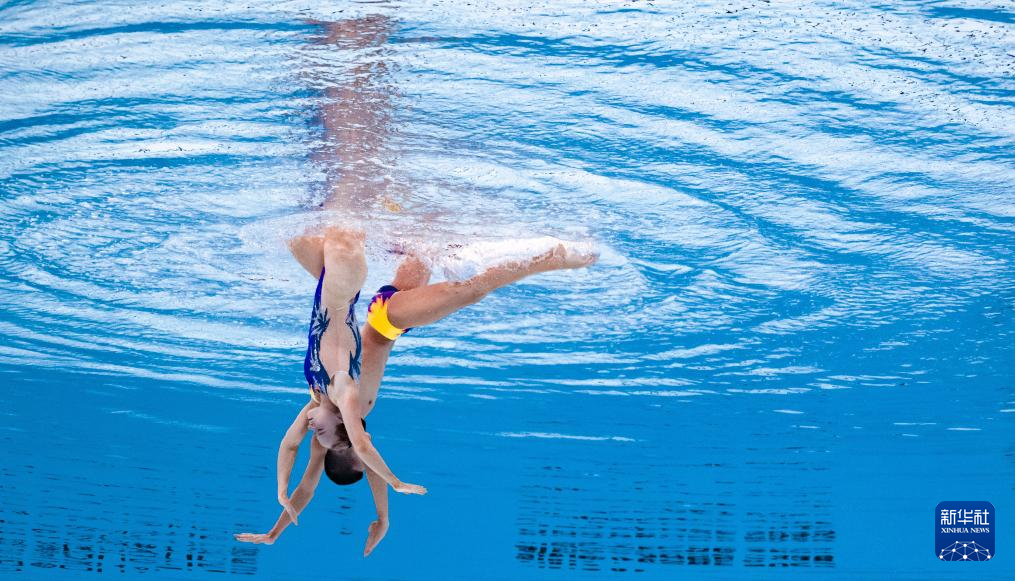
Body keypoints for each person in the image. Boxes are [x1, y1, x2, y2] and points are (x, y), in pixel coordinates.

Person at [234, 231, 597, 556]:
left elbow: (310, 479)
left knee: (455, 278)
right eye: (331, 439)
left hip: (388, 317)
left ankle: (547, 255)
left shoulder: (325, 404)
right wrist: (384, 512)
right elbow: (358, 462)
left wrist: (277, 528)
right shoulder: (341, 410)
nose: (316, 433)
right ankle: (548, 255)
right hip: (388, 320)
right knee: (442, 262)